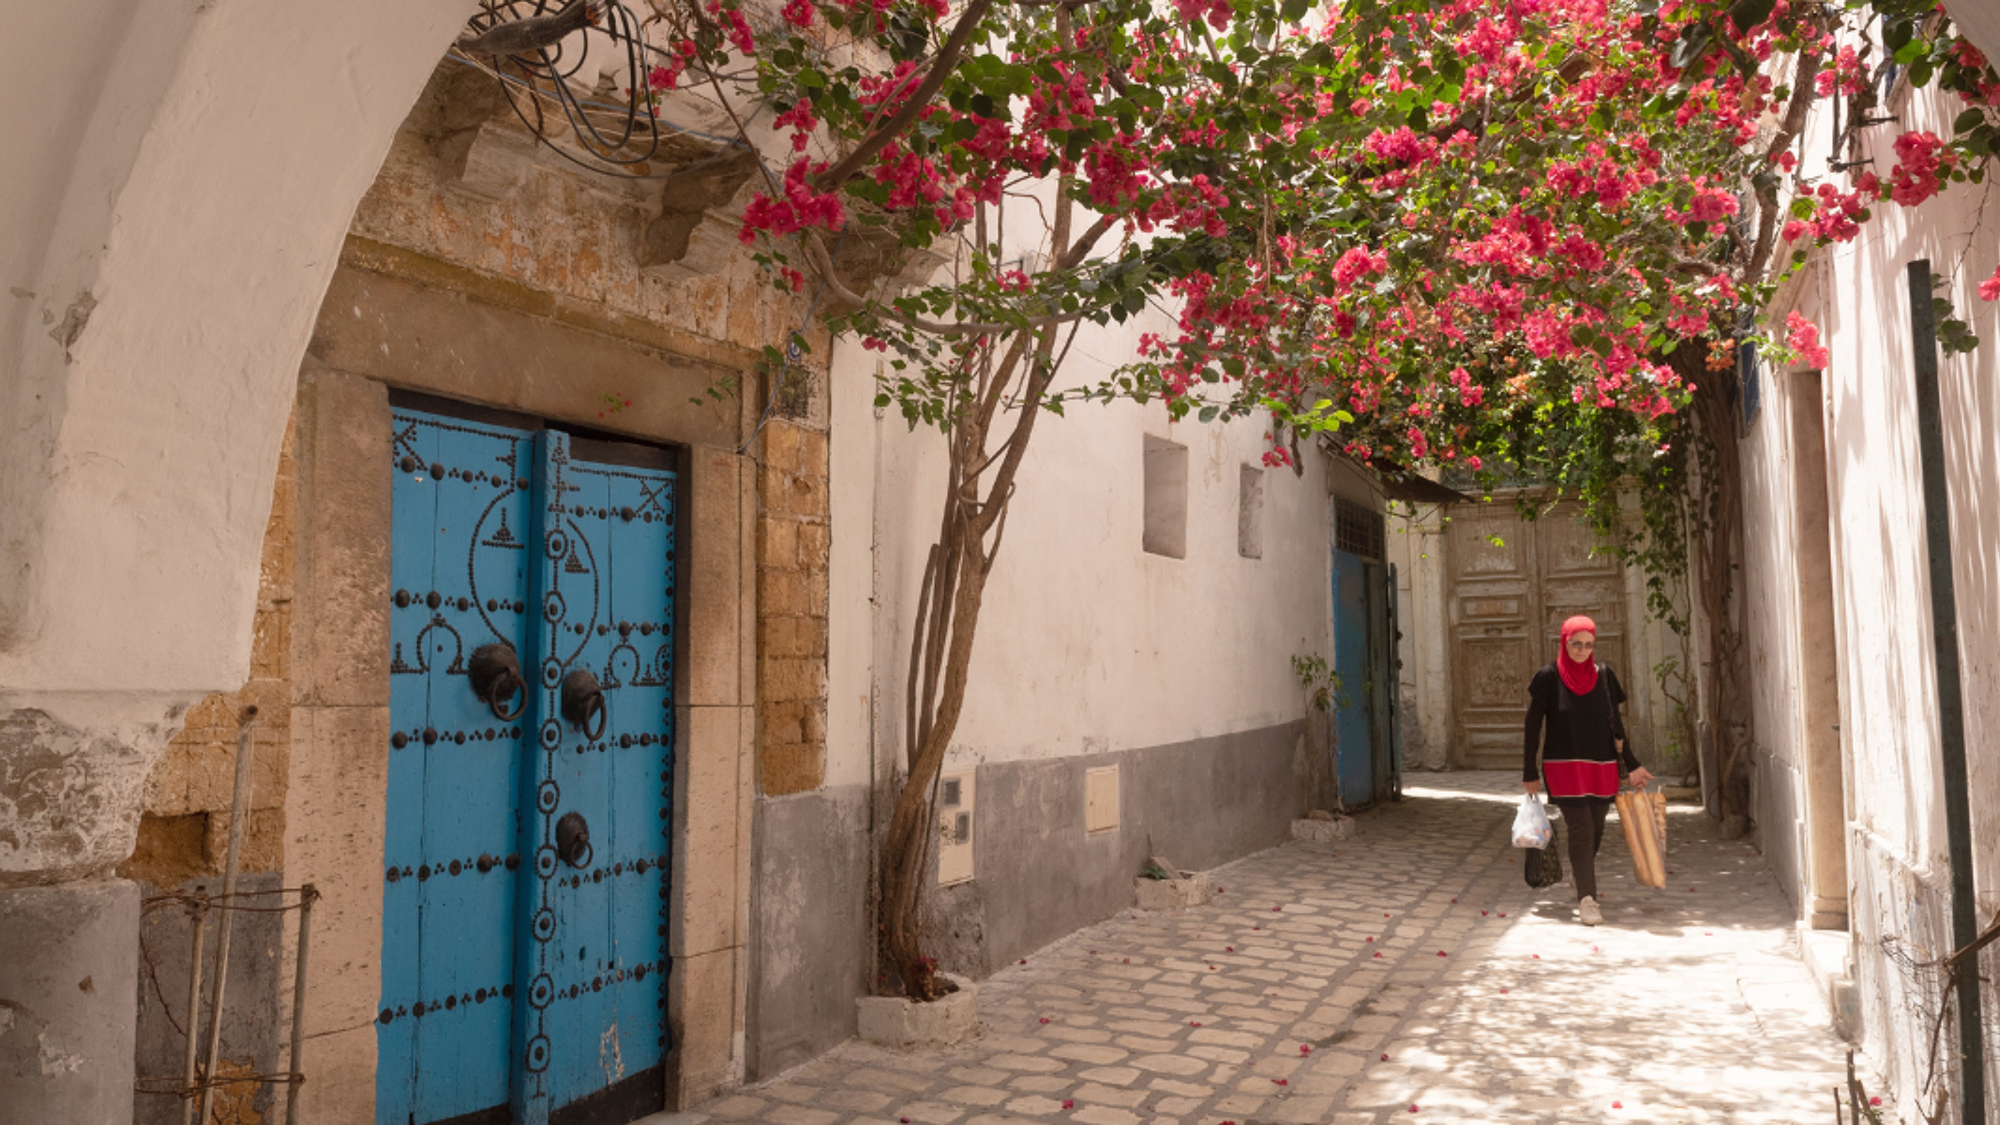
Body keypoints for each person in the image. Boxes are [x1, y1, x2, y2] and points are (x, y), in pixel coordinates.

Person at [1522, 615, 1652, 925]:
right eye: (1576, 644)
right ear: (1564, 643)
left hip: (1602, 766)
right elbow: (1532, 726)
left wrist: (1633, 764)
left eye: (1588, 645)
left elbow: (1616, 726)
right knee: (1581, 828)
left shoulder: (1604, 676)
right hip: (1563, 767)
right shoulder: (1548, 677)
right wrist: (1529, 770)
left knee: (1596, 828)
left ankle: (1582, 874)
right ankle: (1588, 899)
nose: (1582, 651)